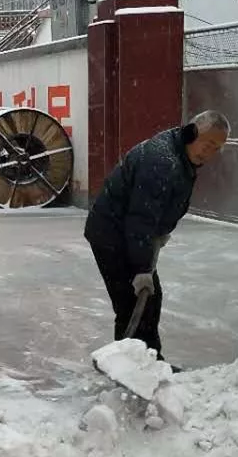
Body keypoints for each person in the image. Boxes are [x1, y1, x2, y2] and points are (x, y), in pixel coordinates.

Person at [84, 111, 230, 366]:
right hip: (112, 233)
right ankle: (128, 366)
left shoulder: (181, 156)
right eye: (208, 145)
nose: (210, 154)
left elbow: (160, 207)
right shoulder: (162, 162)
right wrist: (142, 268)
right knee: (131, 302)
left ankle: (148, 361)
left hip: (131, 233)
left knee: (149, 299)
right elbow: (140, 218)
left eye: (216, 149)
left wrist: (159, 234)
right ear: (191, 133)